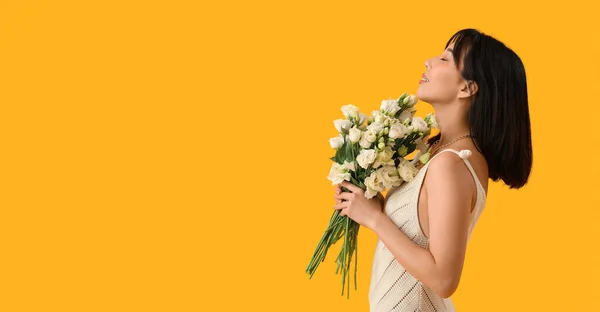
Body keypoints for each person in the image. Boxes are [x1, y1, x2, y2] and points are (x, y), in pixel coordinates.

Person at [332, 28, 533, 311]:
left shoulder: (451, 163)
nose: (429, 61)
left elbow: (443, 278)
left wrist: (375, 219)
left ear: (467, 87)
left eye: (445, 58)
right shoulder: (438, 151)